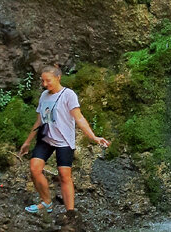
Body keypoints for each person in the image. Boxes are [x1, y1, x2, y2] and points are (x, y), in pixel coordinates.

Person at [15, 64, 110, 213]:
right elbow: (39, 121)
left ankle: (70, 212)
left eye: (48, 81)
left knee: (64, 176)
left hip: (64, 141)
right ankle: (46, 202)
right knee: (34, 168)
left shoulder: (68, 95)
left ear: (58, 78)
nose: (45, 84)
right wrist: (27, 142)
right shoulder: (44, 96)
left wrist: (93, 137)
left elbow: (79, 118)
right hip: (46, 138)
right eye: (42, 81)